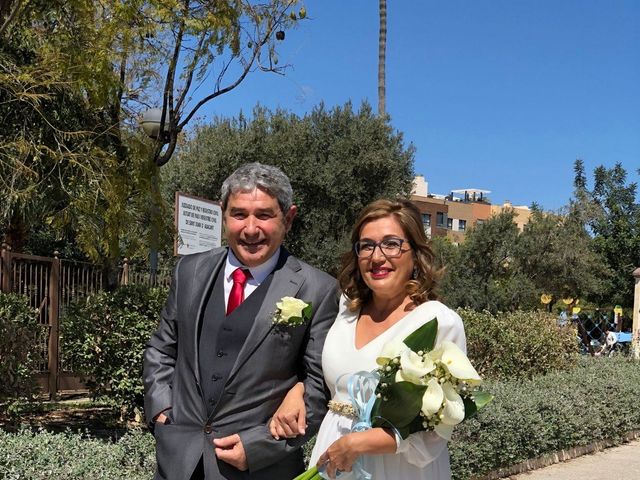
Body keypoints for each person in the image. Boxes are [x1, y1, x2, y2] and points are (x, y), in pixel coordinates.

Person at [143, 162, 339, 480]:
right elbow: (161, 349)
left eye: (263, 215)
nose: (250, 229)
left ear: (288, 218)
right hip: (178, 461)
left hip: (259, 470)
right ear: (224, 214)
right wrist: (162, 412)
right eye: (238, 214)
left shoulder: (318, 289)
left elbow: (319, 387)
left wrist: (259, 446)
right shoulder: (190, 271)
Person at [271, 199, 467, 480]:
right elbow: (324, 378)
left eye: (391, 244)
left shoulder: (438, 321)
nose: (377, 257)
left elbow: (437, 429)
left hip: (397, 468)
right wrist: (298, 389)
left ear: (415, 254)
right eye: (366, 245)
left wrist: (358, 443)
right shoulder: (345, 310)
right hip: (333, 455)